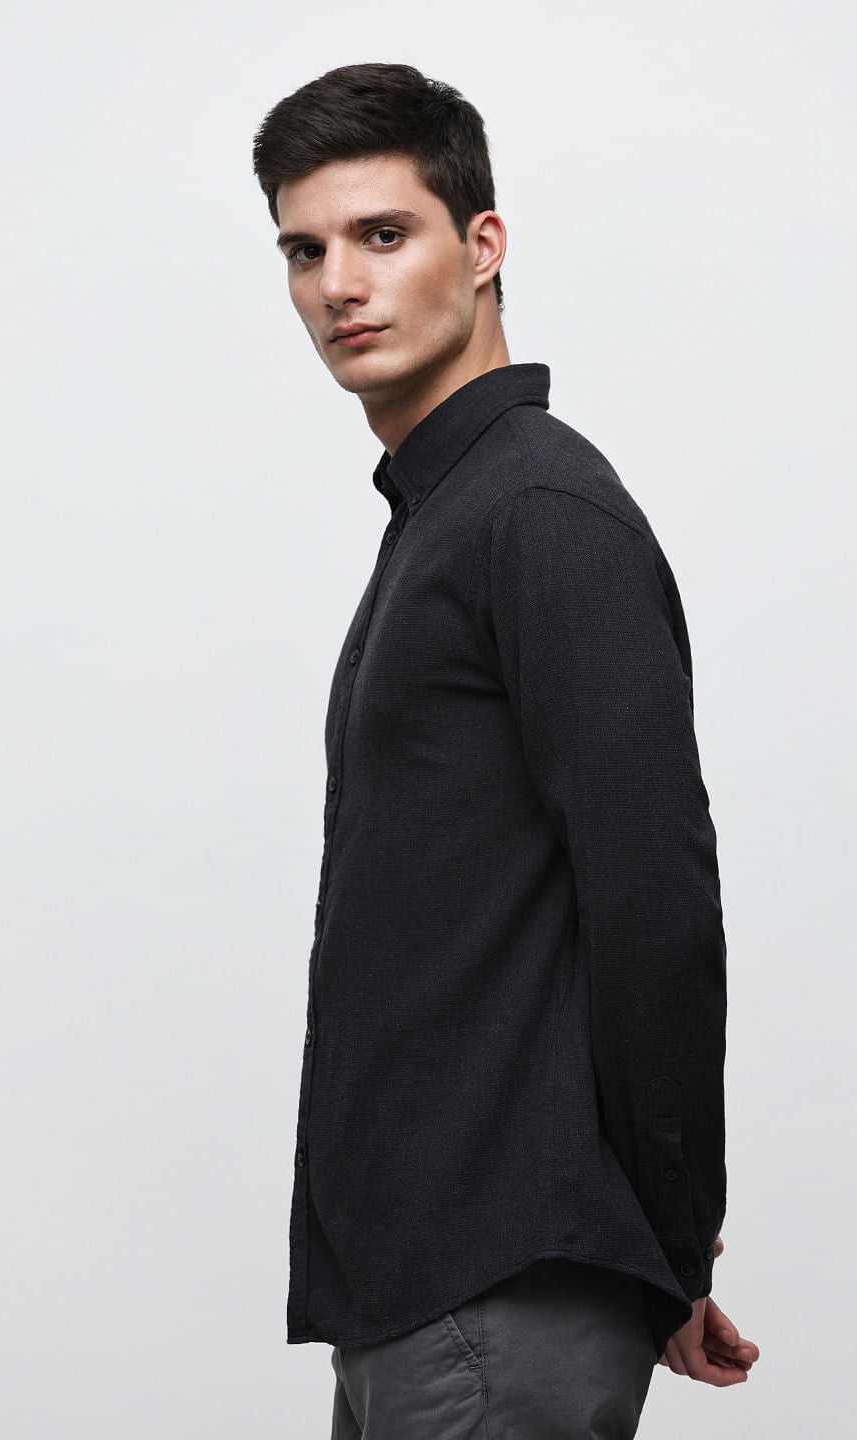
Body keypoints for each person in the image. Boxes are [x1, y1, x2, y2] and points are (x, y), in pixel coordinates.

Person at [251, 61, 759, 1438]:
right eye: (303, 250)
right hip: (425, 1284)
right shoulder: (449, 515)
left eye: (382, 234)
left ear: (482, 246)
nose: (339, 285)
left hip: (498, 1287)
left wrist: (670, 1234)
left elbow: (654, 894)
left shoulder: (537, 512)